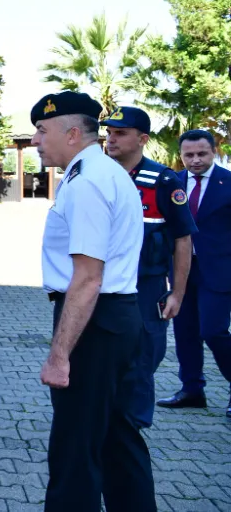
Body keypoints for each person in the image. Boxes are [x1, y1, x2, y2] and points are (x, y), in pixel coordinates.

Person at [30, 92, 155, 511]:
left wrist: (59, 355)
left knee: (75, 448)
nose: (34, 141)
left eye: (42, 130)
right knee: (118, 441)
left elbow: (87, 278)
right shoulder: (103, 171)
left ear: (70, 133)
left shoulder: (87, 182)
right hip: (115, 317)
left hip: (93, 322)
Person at [103, 107, 195, 428]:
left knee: (141, 365)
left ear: (142, 139)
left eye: (120, 133)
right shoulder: (99, 176)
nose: (111, 139)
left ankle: (131, 434)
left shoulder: (164, 181)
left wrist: (177, 294)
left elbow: (183, 241)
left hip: (146, 291)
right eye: (109, 132)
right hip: (103, 289)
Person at [158, 129, 231, 418]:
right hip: (181, 270)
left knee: (213, 330)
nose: (195, 160)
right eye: (189, 155)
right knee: (185, 331)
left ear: (214, 151)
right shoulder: (173, 183)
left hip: (220, 271)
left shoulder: (228, 183)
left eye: (202, 153)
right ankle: (192, 390)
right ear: (182, 155)